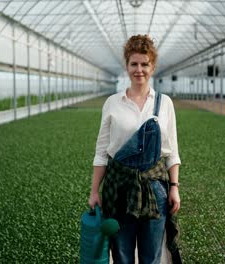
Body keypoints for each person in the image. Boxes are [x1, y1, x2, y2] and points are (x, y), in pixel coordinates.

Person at [89, 34, 181, 264]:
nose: (139, 69)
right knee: (121, 255)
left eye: (144, 64)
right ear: (127, 65)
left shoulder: (164, 103)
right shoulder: (112, 103)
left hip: (154, 189)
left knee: (151, 257)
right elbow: (102, 152)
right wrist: (94, 191)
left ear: (153, 66)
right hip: (119, 188)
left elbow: (171, 151)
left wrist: (174, 187)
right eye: (134, 64)